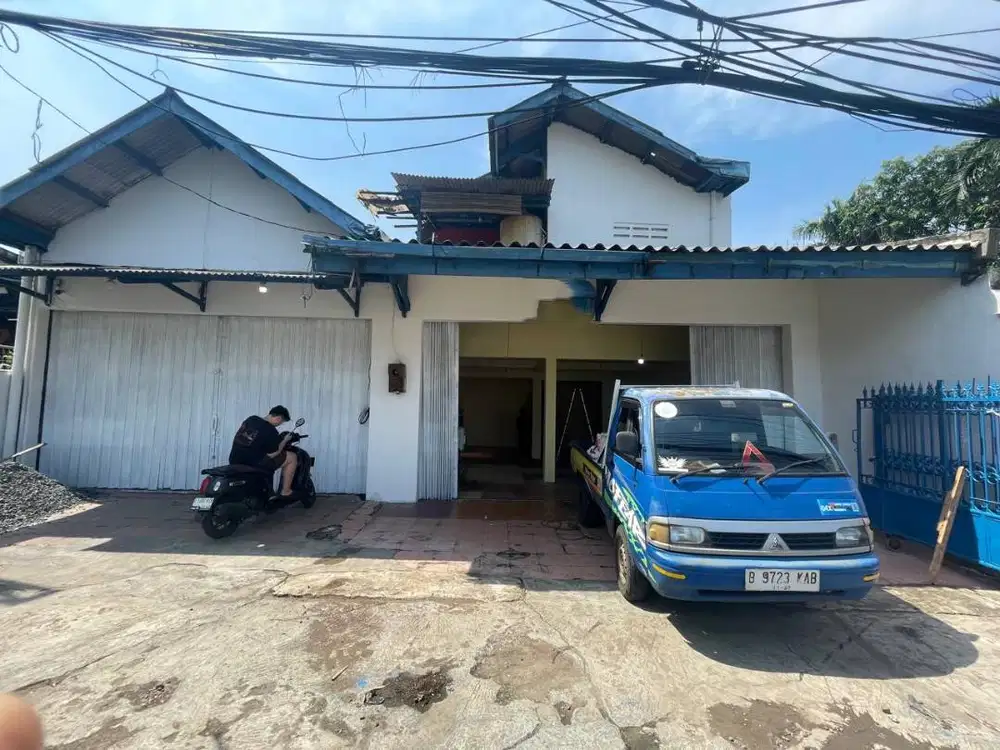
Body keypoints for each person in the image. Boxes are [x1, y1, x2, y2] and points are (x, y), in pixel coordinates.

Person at [229, 405, 298, 497]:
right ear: (278, 418)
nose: (280, 424)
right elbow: (274, 453)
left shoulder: (251, 419)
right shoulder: (271, 431)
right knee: (292, 457)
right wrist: (285, 440)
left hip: (234, 459)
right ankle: (286, 491)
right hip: (253, 463)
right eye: (281, 422)